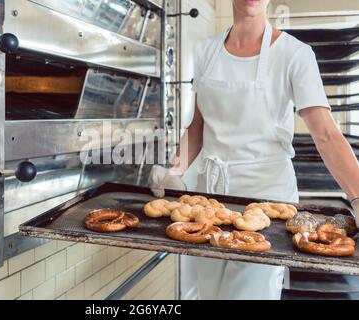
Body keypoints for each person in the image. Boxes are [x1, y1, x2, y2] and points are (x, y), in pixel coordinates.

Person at [149, 0, 359, 300]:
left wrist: (357, 195)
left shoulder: (294, 54)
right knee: (210, 294)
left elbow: (325, 133)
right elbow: (198, 124)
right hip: (211, 202)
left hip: (267, 206)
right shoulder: (206, 50)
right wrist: (176, 169)